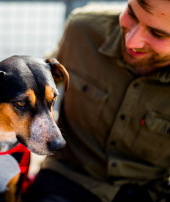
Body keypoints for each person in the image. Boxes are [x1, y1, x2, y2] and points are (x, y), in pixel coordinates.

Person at [24, 0, 170, 201]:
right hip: (66, 177)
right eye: (132, 14)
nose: (131, 41)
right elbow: (38, 84)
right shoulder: (82, 29)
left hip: (148, 191)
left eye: (158, 34)